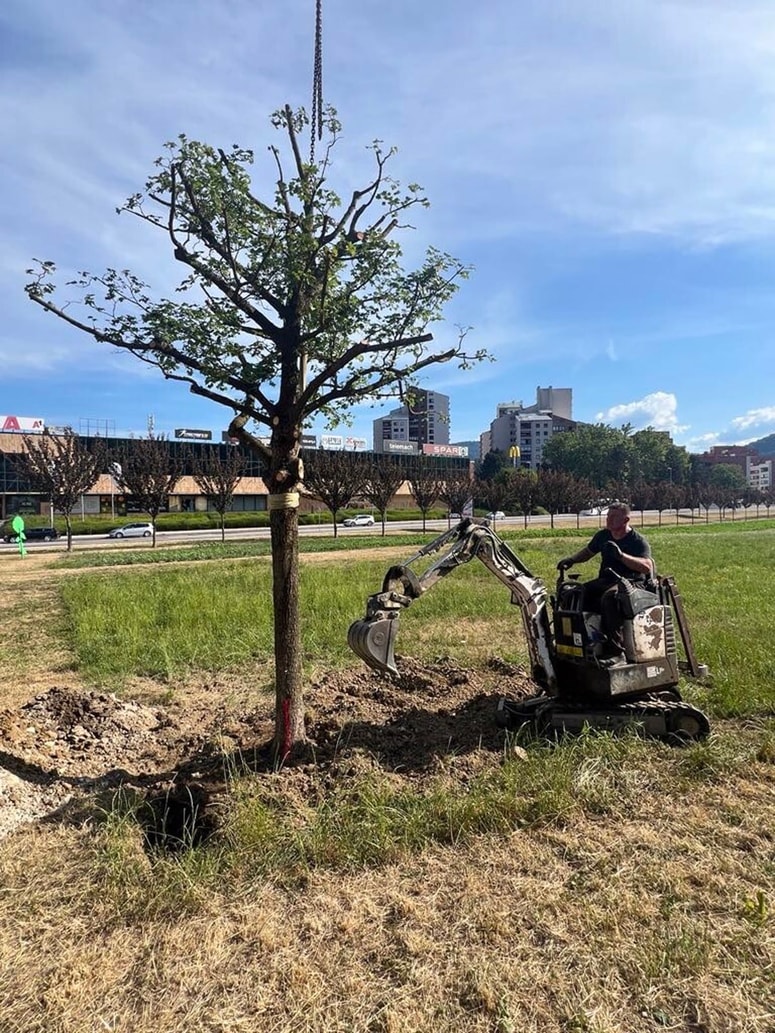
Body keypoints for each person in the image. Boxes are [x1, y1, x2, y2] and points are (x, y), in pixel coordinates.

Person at [556, 502, 654, 663]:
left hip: (631, 583)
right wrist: (571, 560)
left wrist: (621, 556)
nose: (609, 520)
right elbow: (588, 552)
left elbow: (646, 567)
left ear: (625, 520)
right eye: (608, 516)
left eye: (614, 517)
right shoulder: (603, 536)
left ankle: (616, 652)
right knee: (574, 594)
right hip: (606, 580)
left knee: (611, 598)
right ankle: (580, 644)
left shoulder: (637, 541)